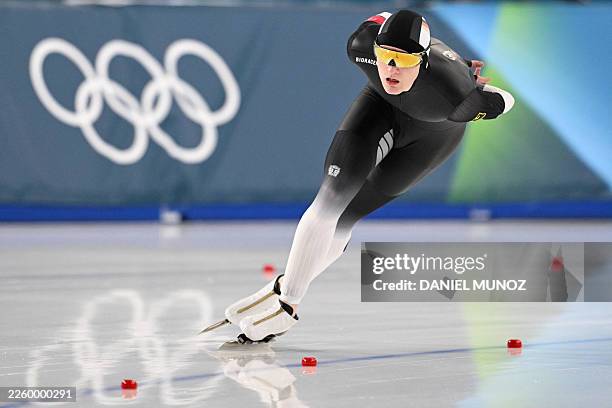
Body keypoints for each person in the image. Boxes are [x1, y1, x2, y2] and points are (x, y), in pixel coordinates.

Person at [206, 9, 514, 343]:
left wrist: (477, 88)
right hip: (378, 109)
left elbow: (505, 100)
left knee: (348, 215)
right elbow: (382, 18)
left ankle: (289, 285)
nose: (391, 69)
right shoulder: (361, 45)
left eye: (403, 60)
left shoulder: (456, 96)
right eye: (385, 57)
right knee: (330, 199)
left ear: (423, 61)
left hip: (433, 138)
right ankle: (288, 302)